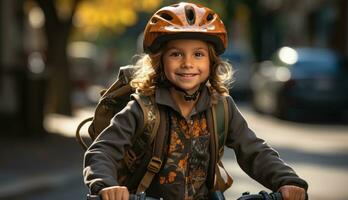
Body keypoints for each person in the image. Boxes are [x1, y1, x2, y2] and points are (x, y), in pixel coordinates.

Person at [83, 2, 308, 200]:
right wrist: (107, 185)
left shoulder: (220, 106)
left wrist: (288, 181)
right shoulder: (142, 108)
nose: (188, 63)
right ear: (159, 62)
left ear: (212, 62)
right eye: (176, 54)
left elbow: (254, 151)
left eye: (198, 54)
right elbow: (102, 151)